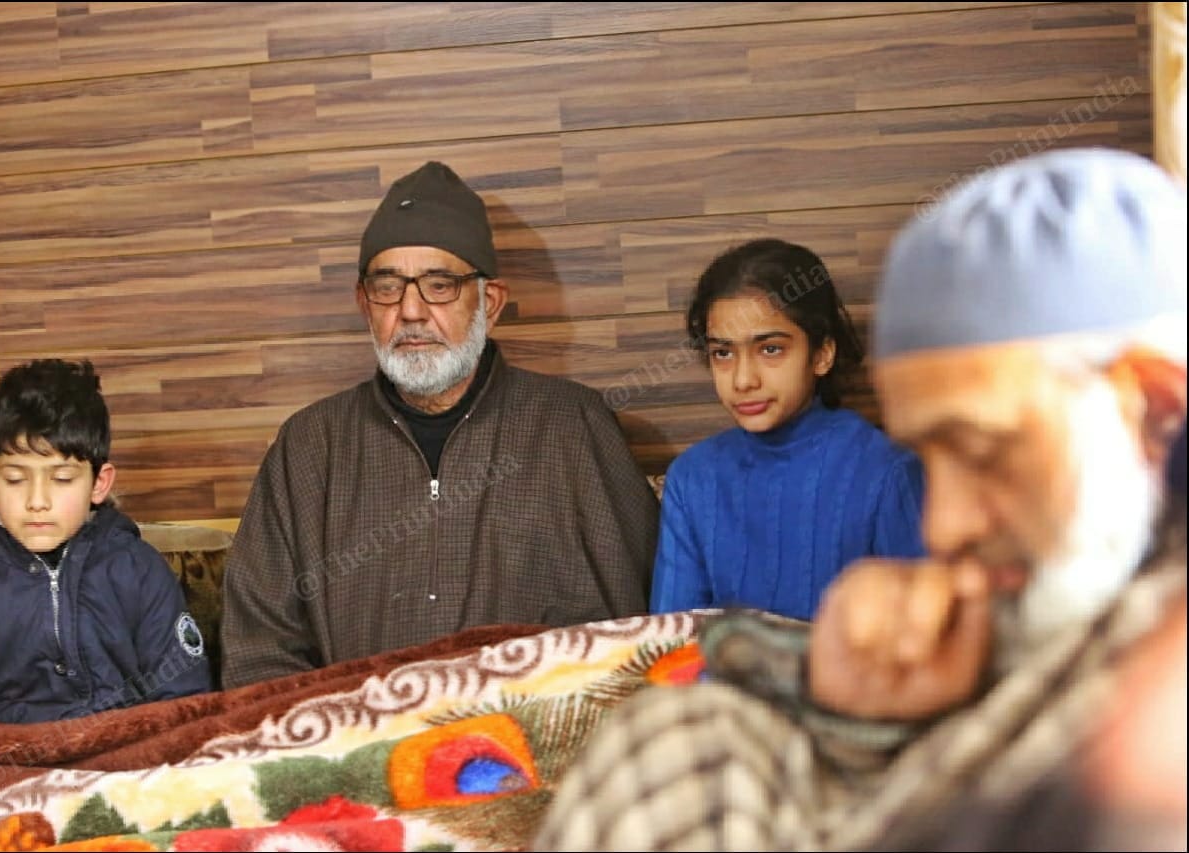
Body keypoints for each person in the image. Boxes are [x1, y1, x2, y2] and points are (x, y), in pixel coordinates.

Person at [534, 147, 1187, 850]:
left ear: (1156, 409)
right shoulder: (701, 480)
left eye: (981, 450)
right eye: (929, 458)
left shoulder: (1153, 723)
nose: (943, 526)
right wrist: (853, 724)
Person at [220, 161, 659, 689]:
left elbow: (636, 627)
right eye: (387, 287)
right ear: (364, 303)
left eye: (440, 285)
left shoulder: (574, 426)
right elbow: (259, 650)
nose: (411, 311)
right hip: (357, 736)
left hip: (539, 732)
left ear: (489, 303)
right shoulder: (310, 446)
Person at [0, 359, 212, 723]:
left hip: (125, 751)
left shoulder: (141, 571)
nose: (38, 501)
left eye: (62, 479)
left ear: (99, 484)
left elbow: (184, 701)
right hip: (8, 755)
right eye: (15, 479)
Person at [652, 238, 924, 620]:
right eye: (723, 353)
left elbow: (925, 632)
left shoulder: (886, 471)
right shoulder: (693, 478)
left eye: (770, 349)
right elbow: (670, 636)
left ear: (822, 354)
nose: (743, 380)